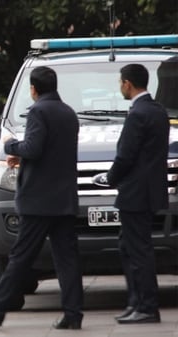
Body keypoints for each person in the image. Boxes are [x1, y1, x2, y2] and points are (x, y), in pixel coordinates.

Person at [0, 66, 84, 329]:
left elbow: (33, 147)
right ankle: (73, 314)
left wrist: (10, 144)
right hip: (64, 198)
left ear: (33, 89)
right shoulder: (68, 113)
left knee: (20, 255)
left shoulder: (39, 111)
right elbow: (52, 152)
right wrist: (24, 153)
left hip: (39, 200)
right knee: (67, 258)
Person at [105, 64, 169, 324]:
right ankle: (136, 302)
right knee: (128, 246)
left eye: (121, 82)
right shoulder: (157, 111)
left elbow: (126, 155)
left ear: (128, 84)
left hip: (135, 193)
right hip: (149, 192)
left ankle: (146, 306)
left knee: (138, 251)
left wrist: (110, 178)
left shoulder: (138, 114)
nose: (120, 86)